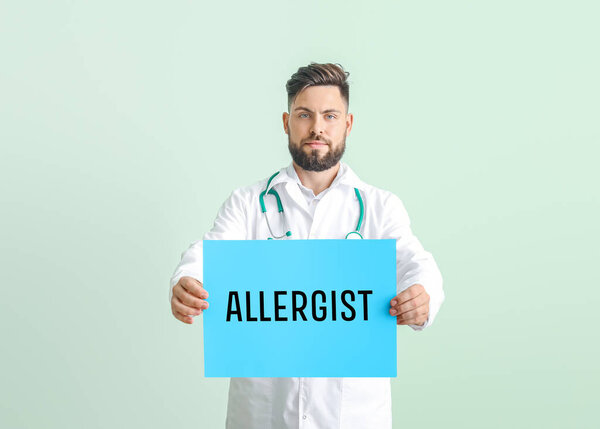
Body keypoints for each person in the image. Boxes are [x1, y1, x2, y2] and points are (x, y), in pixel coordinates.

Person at [169, 62, 444, 429]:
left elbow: (417, 264)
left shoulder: (380, 207)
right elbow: (208, 252)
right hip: (262, 415)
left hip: (352, 417)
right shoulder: (247, 203)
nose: (317, 127)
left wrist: (422, 296)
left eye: (330, 115)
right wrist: (187, 279)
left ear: (347, 124)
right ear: (287, 123)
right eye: (304, 115)